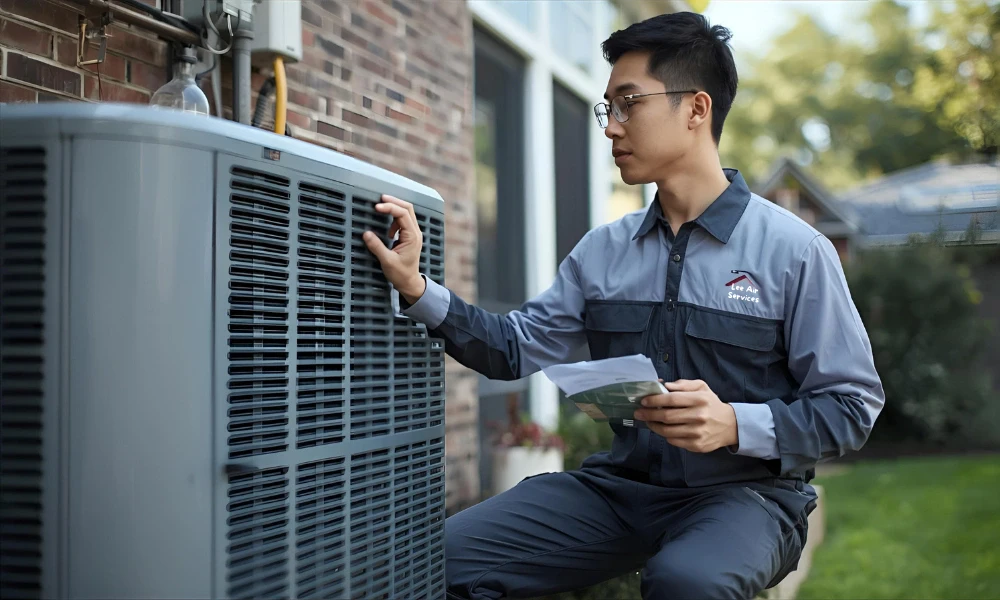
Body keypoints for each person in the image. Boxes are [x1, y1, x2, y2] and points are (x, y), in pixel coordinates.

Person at [363, 11, 884, 600]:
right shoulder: (602, 252)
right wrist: (415, 286)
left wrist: (735, 423)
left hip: (749, 496)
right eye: (608, 106)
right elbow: (510, 348)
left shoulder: (795, 251)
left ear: (696, 109)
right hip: (619, 491)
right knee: (434, 559)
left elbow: (851, 406)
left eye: (629, 102)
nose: (611, 126)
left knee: (688, 582)